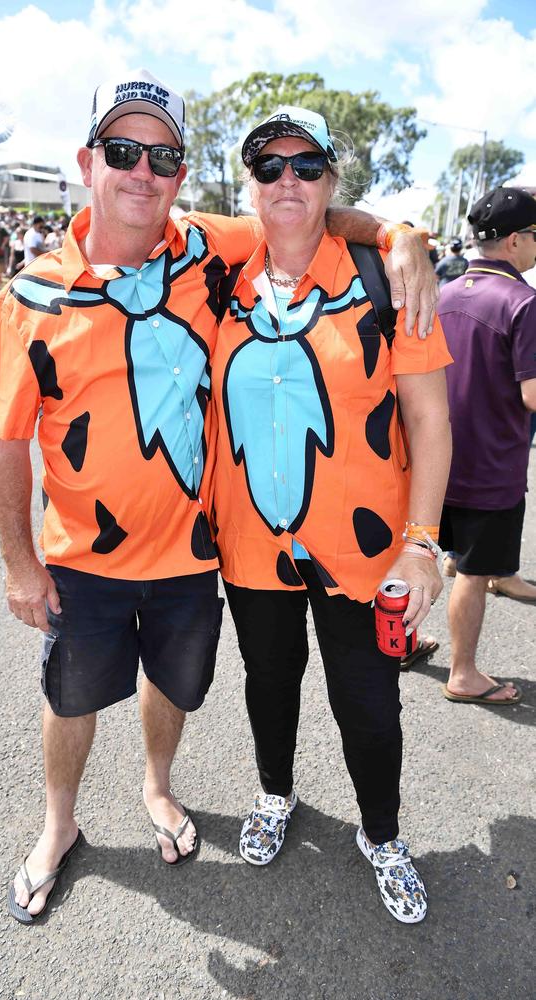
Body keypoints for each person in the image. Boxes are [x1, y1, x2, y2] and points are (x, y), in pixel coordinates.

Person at [0, 70, 438, 925]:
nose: (143, 171)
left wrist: (401, 231)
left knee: (183, 687)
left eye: (164, 156)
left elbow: (313, 215)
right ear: (87, 161)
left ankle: (164, 790)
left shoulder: (208, 248)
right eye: (123, 150)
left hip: (194, 554)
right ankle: (58, 827)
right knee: (72, 698)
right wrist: (18, 565)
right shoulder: (28, 295)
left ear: (182, 176)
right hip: (87, 555)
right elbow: (2, 438)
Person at [210, 106, 453, 924]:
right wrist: (399, 225)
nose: (288, 181)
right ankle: (276, 794)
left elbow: (430, 421)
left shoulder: (385, 277)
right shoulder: (214, 271)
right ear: (246, 182)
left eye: (307, 166)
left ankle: (380, 835)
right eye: (269, 166)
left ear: (333, 181)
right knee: (269, 685)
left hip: (366, 554)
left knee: (370, 707)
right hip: (251, 549)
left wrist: (423, 546)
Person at [437, 186, 536, 702]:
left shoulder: (446, 293)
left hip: (437, 463)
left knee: (432, 560)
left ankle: (403, 638)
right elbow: (532, 393)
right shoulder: (523, 302)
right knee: (473, 575)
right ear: (516, 241)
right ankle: (463, 673)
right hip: (490, 467)